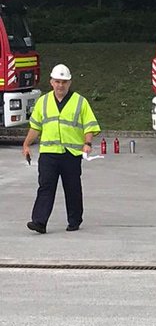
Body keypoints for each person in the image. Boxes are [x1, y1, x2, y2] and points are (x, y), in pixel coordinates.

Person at [22, 64, 101, 233]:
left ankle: (74, 220)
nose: (60, 85)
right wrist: (26, 144)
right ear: (51, 82)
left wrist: (87, 144)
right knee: (45, 187)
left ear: (70, 83)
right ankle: (39, 222)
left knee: (72, 188)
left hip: (70, 154)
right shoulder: (43, 102)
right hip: (49, 154)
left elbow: (90, 126)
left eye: (64, 82)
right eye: (57, 81)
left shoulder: (80, 102)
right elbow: (35, 127)